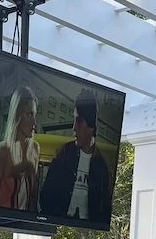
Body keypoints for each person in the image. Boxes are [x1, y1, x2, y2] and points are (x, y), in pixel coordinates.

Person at [39, 90, 111, 224]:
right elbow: (46, 196)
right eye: (74, 121)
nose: (74, 128)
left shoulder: (102, 166)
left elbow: (103, 210)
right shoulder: (63, 153)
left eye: (79, 121)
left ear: (90, 125)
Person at [0, 86, 39, 211]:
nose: (35, 122)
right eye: (30, 114)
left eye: (35, 115)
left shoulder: (35, 149)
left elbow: (33, 198)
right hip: (1, 224)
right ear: (17, 115)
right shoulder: (4, 150)